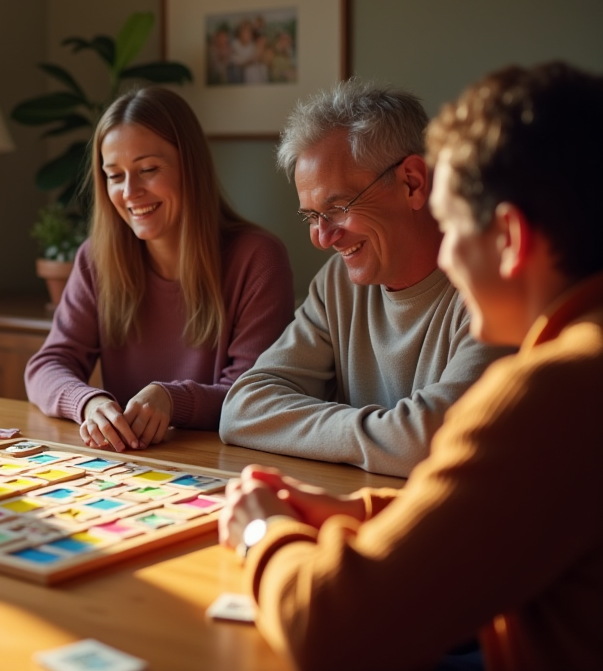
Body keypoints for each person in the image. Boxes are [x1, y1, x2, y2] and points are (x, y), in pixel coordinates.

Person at [219, 61, 603, 671]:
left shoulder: (553, 389)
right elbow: (502, 512)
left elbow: (332, 629)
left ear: (510, 237)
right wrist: (361, 511)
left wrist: (263, 533)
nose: (447, 255)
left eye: (451, 228)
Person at [219, 78, 508, 476]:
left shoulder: (493, 288)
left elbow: (434, 442)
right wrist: (388, 436)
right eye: (311, 216)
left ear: (413, 182)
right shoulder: (337, 283)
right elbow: (242, 408)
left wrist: (394, 438)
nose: (322, 238)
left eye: (337, 207)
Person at [25, 86, 295, 451]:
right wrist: (89, 403)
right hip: (128, 467)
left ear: (190, 167)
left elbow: (250, 395)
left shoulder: (258, 258)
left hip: (223, 466)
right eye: (115, 175)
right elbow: (47, 365)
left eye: (148, 169)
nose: (130, 191)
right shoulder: (96, 259)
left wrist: (171, 400)